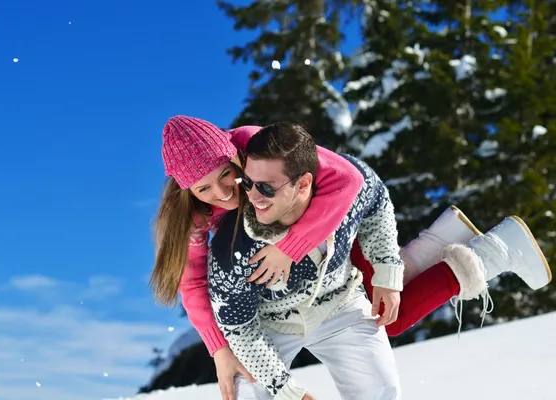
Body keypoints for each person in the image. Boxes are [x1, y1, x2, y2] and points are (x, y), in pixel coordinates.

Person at [153, 116, 552, 399]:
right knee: (387, 310)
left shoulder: (263, 149)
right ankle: (446, 241)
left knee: (383, 309)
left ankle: (486, 255)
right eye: (204, 188)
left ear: (234, 155)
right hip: (282, 293)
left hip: (327, 236)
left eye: (227, 175)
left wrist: (382, 269)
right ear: (187, 190)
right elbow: (194, 285)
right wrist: (220, 350)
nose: (224, 193)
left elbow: (353, 181)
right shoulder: (197, 220)